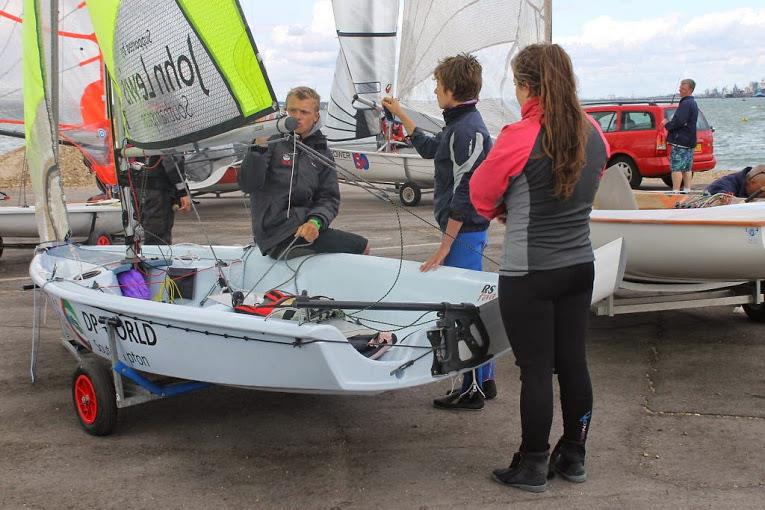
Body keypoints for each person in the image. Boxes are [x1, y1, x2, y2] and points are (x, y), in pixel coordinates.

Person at [470, 43, 609, 492]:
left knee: (536, 369)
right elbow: (585, 186)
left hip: (530, 273)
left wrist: (511, 205)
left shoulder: (518, 134)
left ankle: (532, 464)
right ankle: (573, 456)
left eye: (516, 83)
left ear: (527, 85)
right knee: (573, 363)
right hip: (579, 266)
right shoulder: (595, 132)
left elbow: (480, 195)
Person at [382, 53, 496, 411]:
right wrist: (401, 114)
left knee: (464, 308)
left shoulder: (468, 130)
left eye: (436, 86)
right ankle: (485, 379)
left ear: (450, 91)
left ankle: (472, 387)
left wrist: (445, 245)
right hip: (461, 232)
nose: (434, 91)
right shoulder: (458, 123)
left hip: (465, 233)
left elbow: (465, 193)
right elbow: (433, 149)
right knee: (470, 302)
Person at [238, 86, 368, 259]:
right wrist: (259, 144)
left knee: (362, 246)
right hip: (276, 233)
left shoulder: (321, 151)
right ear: (285, 111)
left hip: (305, 228)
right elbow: (248, 185)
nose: (297, 117)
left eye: (304, 112)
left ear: (316, 116)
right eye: (292, 110)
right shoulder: (270, 141)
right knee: (361, 247)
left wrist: (315, 222)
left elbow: (329, 198)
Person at [122, 154, 190, 245]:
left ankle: (151, 254)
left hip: (138, 189)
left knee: (151, 233)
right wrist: (182, 192)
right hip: (156, 192)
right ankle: (157, 257)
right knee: (157, 238)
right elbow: (171, 162)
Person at [662, 79, 699, 192]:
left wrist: (667, 124)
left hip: (681, 141)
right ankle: (687, 190)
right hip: (689, 141)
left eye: (683, 89)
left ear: (690, 90)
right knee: (687, 168)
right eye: (680, 88)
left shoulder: (686, 103)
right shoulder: (692, 103)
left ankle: (676, 191)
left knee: (676, 168)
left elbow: (679, 121)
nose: (680, 90)